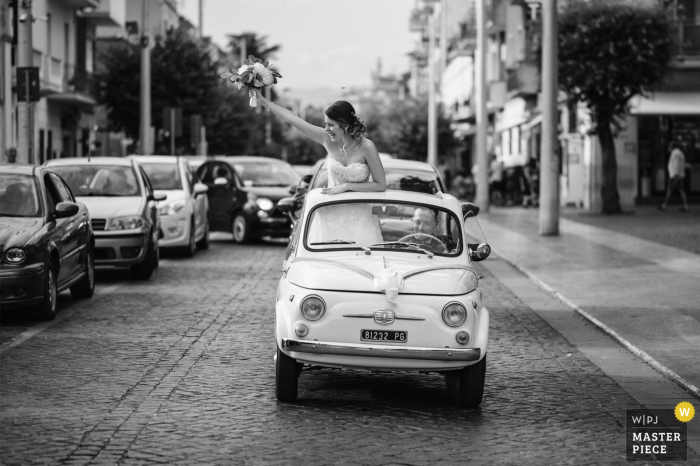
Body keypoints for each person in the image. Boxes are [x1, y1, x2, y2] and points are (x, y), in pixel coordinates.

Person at [255, 93, 386, 246]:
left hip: (360, 219)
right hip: (329, 217)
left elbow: (380, 185)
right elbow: (292, 119)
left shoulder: (366, 147)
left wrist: (347, 187)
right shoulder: (326, 139)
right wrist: (263, 101)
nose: (326, 129)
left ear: (345, 125)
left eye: (331, 125)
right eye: (325, 124)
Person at [660, 142, 689, 212]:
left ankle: (664, 205)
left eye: (669, 147)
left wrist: (675, 175)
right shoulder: (680, 153)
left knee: (670, 190)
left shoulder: (675, 154)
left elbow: (676, 164)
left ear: (672, 147)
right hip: (680, 175)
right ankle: (685, 206)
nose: (668, 149)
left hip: (674, 175)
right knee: (681, 190)